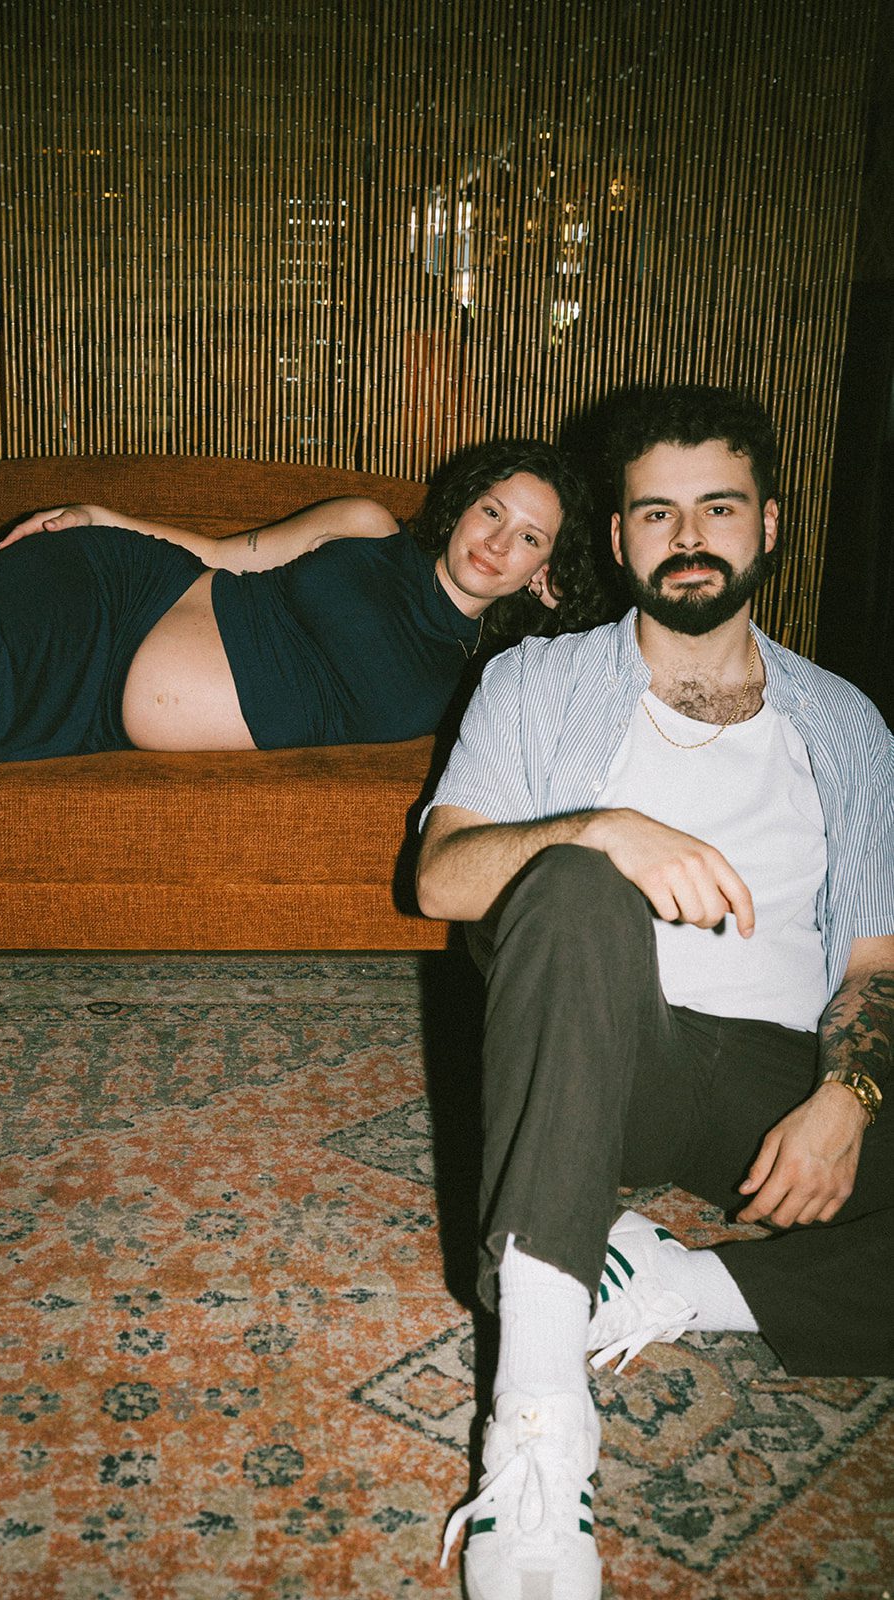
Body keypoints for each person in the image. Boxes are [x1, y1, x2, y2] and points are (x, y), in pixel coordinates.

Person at [416, 385, 893, 1600]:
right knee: (574, 884)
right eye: (655, 514)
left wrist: (845, 1091)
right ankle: (536, 1427)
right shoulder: (534, 682)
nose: (687, 537)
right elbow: (440, 877)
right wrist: (602, 827)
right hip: (592, 1047)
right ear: (620, 538)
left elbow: (871, 962)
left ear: (767, 526)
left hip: (773, 1069)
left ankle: (675, 1280)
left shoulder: (844, 724)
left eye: (717, 508)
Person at [0, 438, 606, 817]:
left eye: (530, 537)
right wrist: (102, 516)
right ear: (465, 505)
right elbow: (219, 553)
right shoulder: (367, 528)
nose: (498, 541)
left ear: (542, 571)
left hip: (93, 712)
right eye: (492, 511)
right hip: (104, 596)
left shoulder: (488, 675)